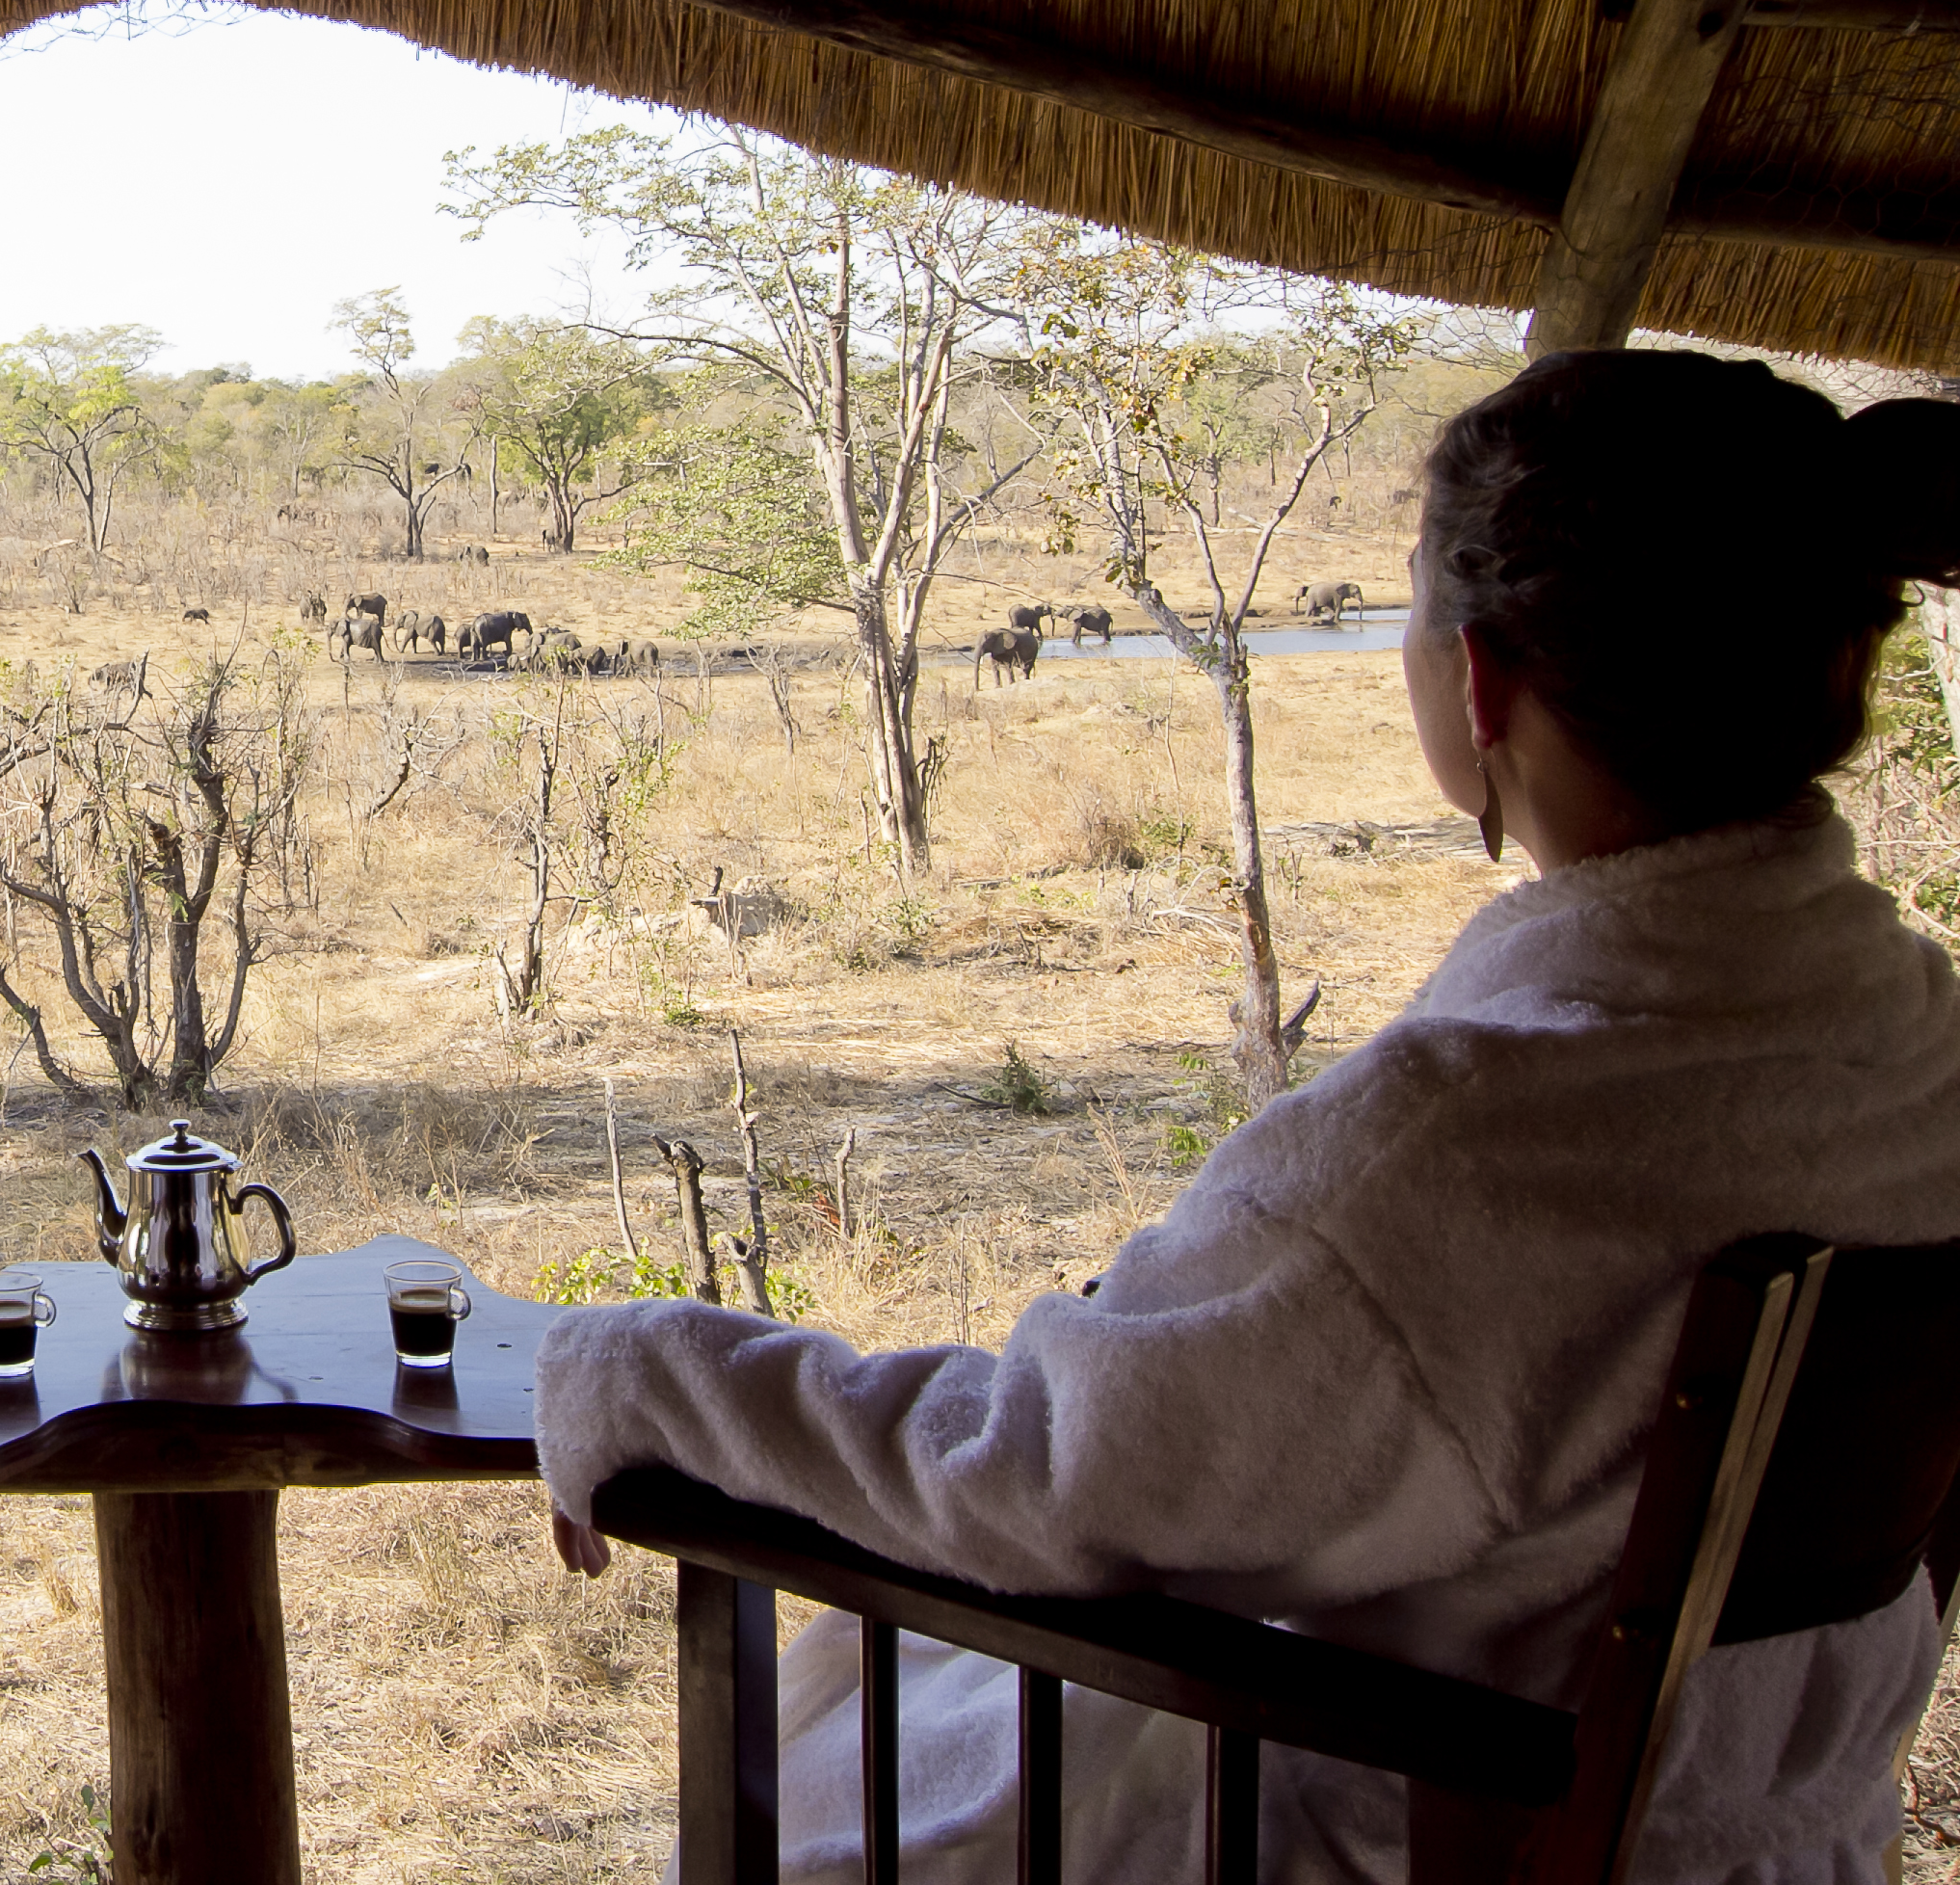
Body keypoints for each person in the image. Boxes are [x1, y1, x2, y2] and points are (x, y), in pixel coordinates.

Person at [535, 350, 1960, 1881]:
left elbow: (1040, 1473)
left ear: (1478, 679)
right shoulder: (1920, 1040)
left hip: (1428, 1836)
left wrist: (640, 1367)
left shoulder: (1461, 1140)